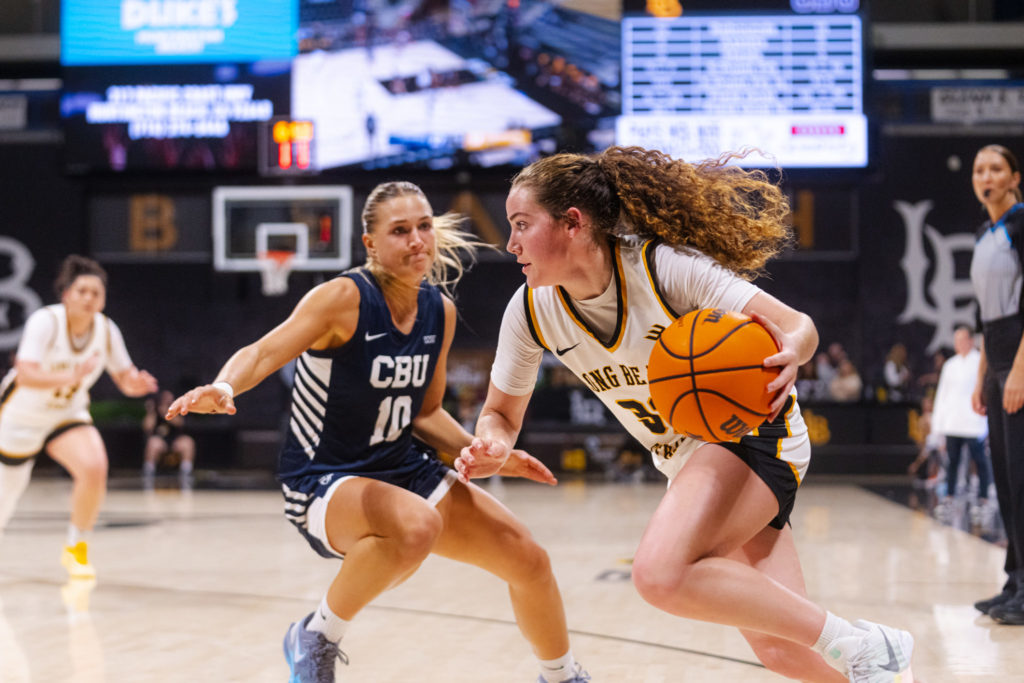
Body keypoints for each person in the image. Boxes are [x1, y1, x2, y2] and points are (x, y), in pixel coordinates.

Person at [455, 146, 915, 682]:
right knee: (781, 646)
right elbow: (500, 414)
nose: (510, 244)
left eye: (521, 225)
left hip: (748, 431)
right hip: (686, 459)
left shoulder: (662, 269)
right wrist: (493, 442)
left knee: (659, 574)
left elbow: (799, 326)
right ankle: (875, 664)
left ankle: (866, 643)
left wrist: (791, 349)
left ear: (572, 223)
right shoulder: (531, 310)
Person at [166, 181, 589, 683]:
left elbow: (426, 413)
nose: (417, 240)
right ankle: (316, 635)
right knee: (416, 525)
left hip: (401, 468)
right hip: (323, 479)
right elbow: (262, 351)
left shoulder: (440, 310)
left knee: (528, 558)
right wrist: (224, 384)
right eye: (400, 231)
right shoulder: (342, 298)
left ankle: (561, 676)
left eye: (424, 226)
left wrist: (488, 451)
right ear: (371, 245)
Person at [0, 255, 157, 578]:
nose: (89, 298)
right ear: (66, 294)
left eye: (96, 293)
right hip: (21, 415)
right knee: (7, 493)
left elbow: (124, 378)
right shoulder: (47, 321)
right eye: (82, 291)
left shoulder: (106, 330)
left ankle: (76, 548)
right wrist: (71, 377)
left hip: (65, 413)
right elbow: (26, 374)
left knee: (94, 467)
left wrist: (136, 385)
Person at [969, 143, 1024, 625]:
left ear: (1013, 178)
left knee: (1023, 479)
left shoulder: (1021, 226)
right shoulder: (985, 233)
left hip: (1021, 358)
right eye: (979, 169)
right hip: (998, 358)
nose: (986, 176)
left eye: (996, 168)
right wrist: (983, 378)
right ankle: (1014, 582)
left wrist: (1018, 372)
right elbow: (986, 318)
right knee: (1006, 481)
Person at [931, 327, 991, 506]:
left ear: (971, 340)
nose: (959, 344)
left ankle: (984, 495)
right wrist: (938, 426)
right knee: (952, 461)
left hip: (974, 422)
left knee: (980, 460)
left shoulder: (980, 361)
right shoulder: (950, 365)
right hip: (953, 422)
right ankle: (949, 494)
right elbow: (942, 396)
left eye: (963, 339)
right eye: (956, 340)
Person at [142, 389, 196, 488]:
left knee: (188, 442)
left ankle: (186, 471)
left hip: (175, 440)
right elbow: (147, 427)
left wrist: (166, 413)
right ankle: (148, 471)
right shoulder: (155, 411)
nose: (168, 401)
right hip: (161, 441)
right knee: (152, 443)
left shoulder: (178, 409)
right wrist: (151, 411)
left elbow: (180, 423)